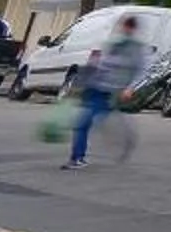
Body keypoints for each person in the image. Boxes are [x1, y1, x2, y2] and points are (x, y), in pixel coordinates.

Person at [65, 13, 151, 169]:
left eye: (127, 27)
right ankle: (78, 157)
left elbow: (141, 70)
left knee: (83, 122)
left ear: (133, 29)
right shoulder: (114, 44)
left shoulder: (136, 49)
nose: (124, 29)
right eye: (123, 26)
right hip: (96, 87)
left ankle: (77, 158)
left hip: (110, 93)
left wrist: (130, 88)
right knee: (85, 122)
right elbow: (102, 64)